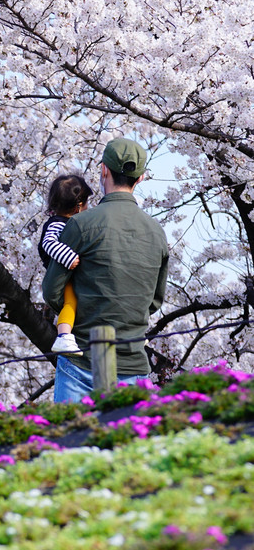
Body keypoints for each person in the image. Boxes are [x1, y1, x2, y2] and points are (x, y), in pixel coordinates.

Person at [42, 138, 169, 403]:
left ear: (103, 171)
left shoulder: (79, 224)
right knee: (127, 442)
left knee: (73, 440)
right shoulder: (157, 233)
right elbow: (154, 301)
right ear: (141, 178)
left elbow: (52, 291)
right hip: (132, 362)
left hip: (83, 361)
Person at [38, 175, 93, 356]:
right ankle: (64, 336)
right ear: (78, 207)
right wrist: (68, 257)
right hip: (65, 278)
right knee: (70, 303)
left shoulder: (68, 222)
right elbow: (49, 243)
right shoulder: (56, 223)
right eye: (86, 203)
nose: (87, 208)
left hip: (72, 276)